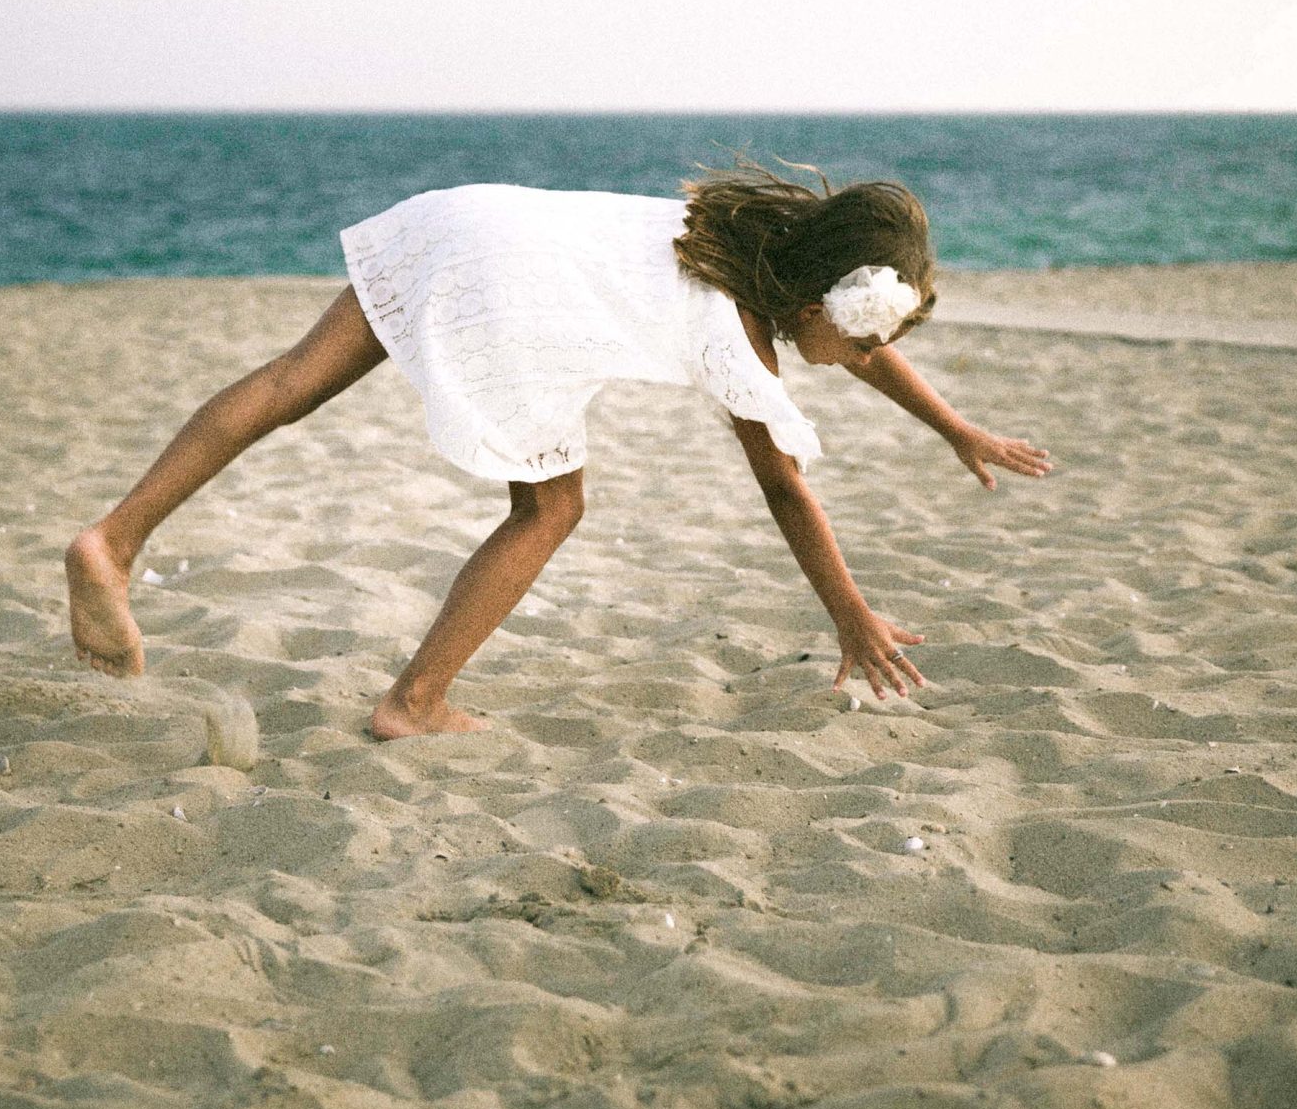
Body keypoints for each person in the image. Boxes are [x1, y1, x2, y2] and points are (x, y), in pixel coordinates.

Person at [64, 160, 1053, 739]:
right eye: (872, 343)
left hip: (467, 218)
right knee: (550, 509)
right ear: (811, 307)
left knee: (288, 382)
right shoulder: (735, 334)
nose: (871, 361)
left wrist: (953, 426)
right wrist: (854, 617)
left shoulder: (754, 242)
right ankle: (413, 702)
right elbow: (786, 491)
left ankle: (113, 541)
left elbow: (854, 337)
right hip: (513, 287)